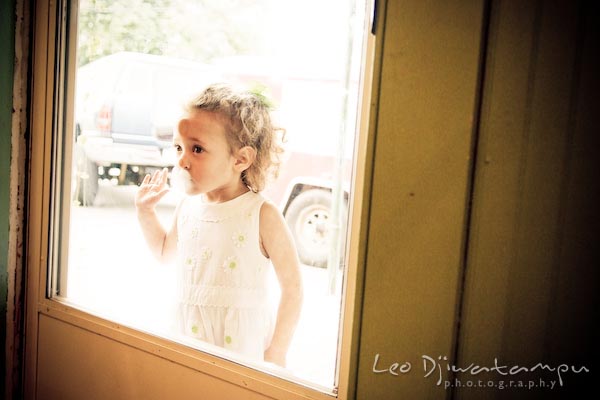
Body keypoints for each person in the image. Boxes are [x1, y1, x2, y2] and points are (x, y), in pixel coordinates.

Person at [135, 83, 303, 368]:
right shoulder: (187, 207)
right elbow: (165, 253)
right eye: (178, 147)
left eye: (197, 149)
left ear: (241, 158)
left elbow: (293, 288)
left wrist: (276, 351)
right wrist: (145, 213)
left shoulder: (261, 214)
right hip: (187, 332)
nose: (182, 161)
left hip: (239, 342)